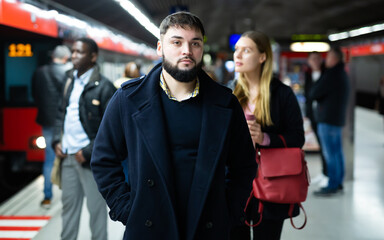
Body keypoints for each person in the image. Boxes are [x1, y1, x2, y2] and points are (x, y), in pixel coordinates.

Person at [90, 12, 256, 240]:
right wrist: (127, 210)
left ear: (201, 50)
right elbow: (103, 160)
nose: (186, 50)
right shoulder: (128, 100)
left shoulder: (226, 103)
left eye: (195, 43)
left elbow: (244, 165)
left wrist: (228, 212)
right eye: (177, 42)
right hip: (149, 226)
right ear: (160, 48)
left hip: (208, 226)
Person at [229, 31, 305, 240]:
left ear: (262, 57)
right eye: (237, 50)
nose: (238, 55)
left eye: (246, 50)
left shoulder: (282, 94)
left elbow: (297, 137)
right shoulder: (230, 93)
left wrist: (264, 139)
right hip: (236, 186)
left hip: (271, 184)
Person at [52, 38, 116, 240]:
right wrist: (56, 140)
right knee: (69, 211)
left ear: (93, 57)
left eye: (79, 52)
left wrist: (88, 151)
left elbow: (112, 129)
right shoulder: (69, 80)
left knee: (96, 211)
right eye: (73, 51)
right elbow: (61, 114)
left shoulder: (104, 87)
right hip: (68, 156)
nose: (73, 56)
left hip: (91, 160)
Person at [31, 45, 72, 208]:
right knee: (68, 159)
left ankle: (47, 197)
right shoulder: (68, 72)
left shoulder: (39, 72)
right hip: (64, 122)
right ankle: (69, 195)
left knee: (49, 159)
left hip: (46, 121)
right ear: (64, 58)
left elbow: (35, 94)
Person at [310, 46, 350, 196]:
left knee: (330, 154)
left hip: (328, 120)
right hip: (336, 120)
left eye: (328, 57)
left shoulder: (331, 74)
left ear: (334, 59)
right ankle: (338, 182)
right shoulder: (342, 73)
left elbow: (314, 92)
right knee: (337, 152)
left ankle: (332, 185)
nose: (326, 60)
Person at [304, 51, 328, 187]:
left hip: (324, 114)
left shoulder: (326, 74)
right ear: (308, 61)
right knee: (321, 144)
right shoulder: (308, 75)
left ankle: (328, 173)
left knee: (326, 146)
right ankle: (324, 172)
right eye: (312, 59)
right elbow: (308, 96)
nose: (315, 61)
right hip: (313, 114)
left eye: (318, 58)